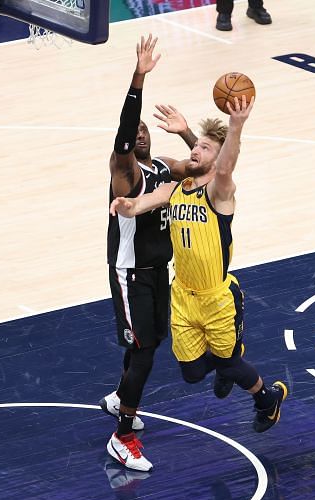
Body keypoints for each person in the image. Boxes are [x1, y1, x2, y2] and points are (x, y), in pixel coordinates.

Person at [111, 94, 288, 445]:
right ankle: (225, 365)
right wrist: (126, 205)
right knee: (191, 374)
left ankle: (268, 398)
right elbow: (141, 203)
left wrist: (236, 125)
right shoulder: (175, 188)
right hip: (183, 295)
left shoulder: (220, 192)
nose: (197, 151)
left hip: (217, 297)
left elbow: (222, 168)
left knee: (231, 365)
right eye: (198, 146)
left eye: (206, 148)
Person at [103, 34, 197, 473]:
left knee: (151, 343)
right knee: (143, 351)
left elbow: (207, 168)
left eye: (145, 128)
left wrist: (186, 133)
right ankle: (122, 437)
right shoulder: (125, 174)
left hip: (161, 271)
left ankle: (121, 397)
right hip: (131, 273)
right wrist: (138, 77)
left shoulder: (162, 164)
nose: (140, 132)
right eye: (135, 130)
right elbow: (125, 128)